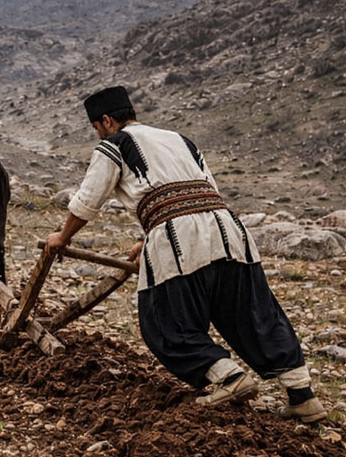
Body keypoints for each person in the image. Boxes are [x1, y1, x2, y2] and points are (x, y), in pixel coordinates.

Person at [45, 85, 327, 423]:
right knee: (254, 314)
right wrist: (148, 236)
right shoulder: (180, 139)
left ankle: (229, 378)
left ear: (105, 121)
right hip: (228, 230)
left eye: (96, 128)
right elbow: (194, 191)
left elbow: (89, 199)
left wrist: (61, 237)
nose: (97, 133)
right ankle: (303, 397)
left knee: (164, 321)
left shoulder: (115, 145)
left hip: (178, 236)